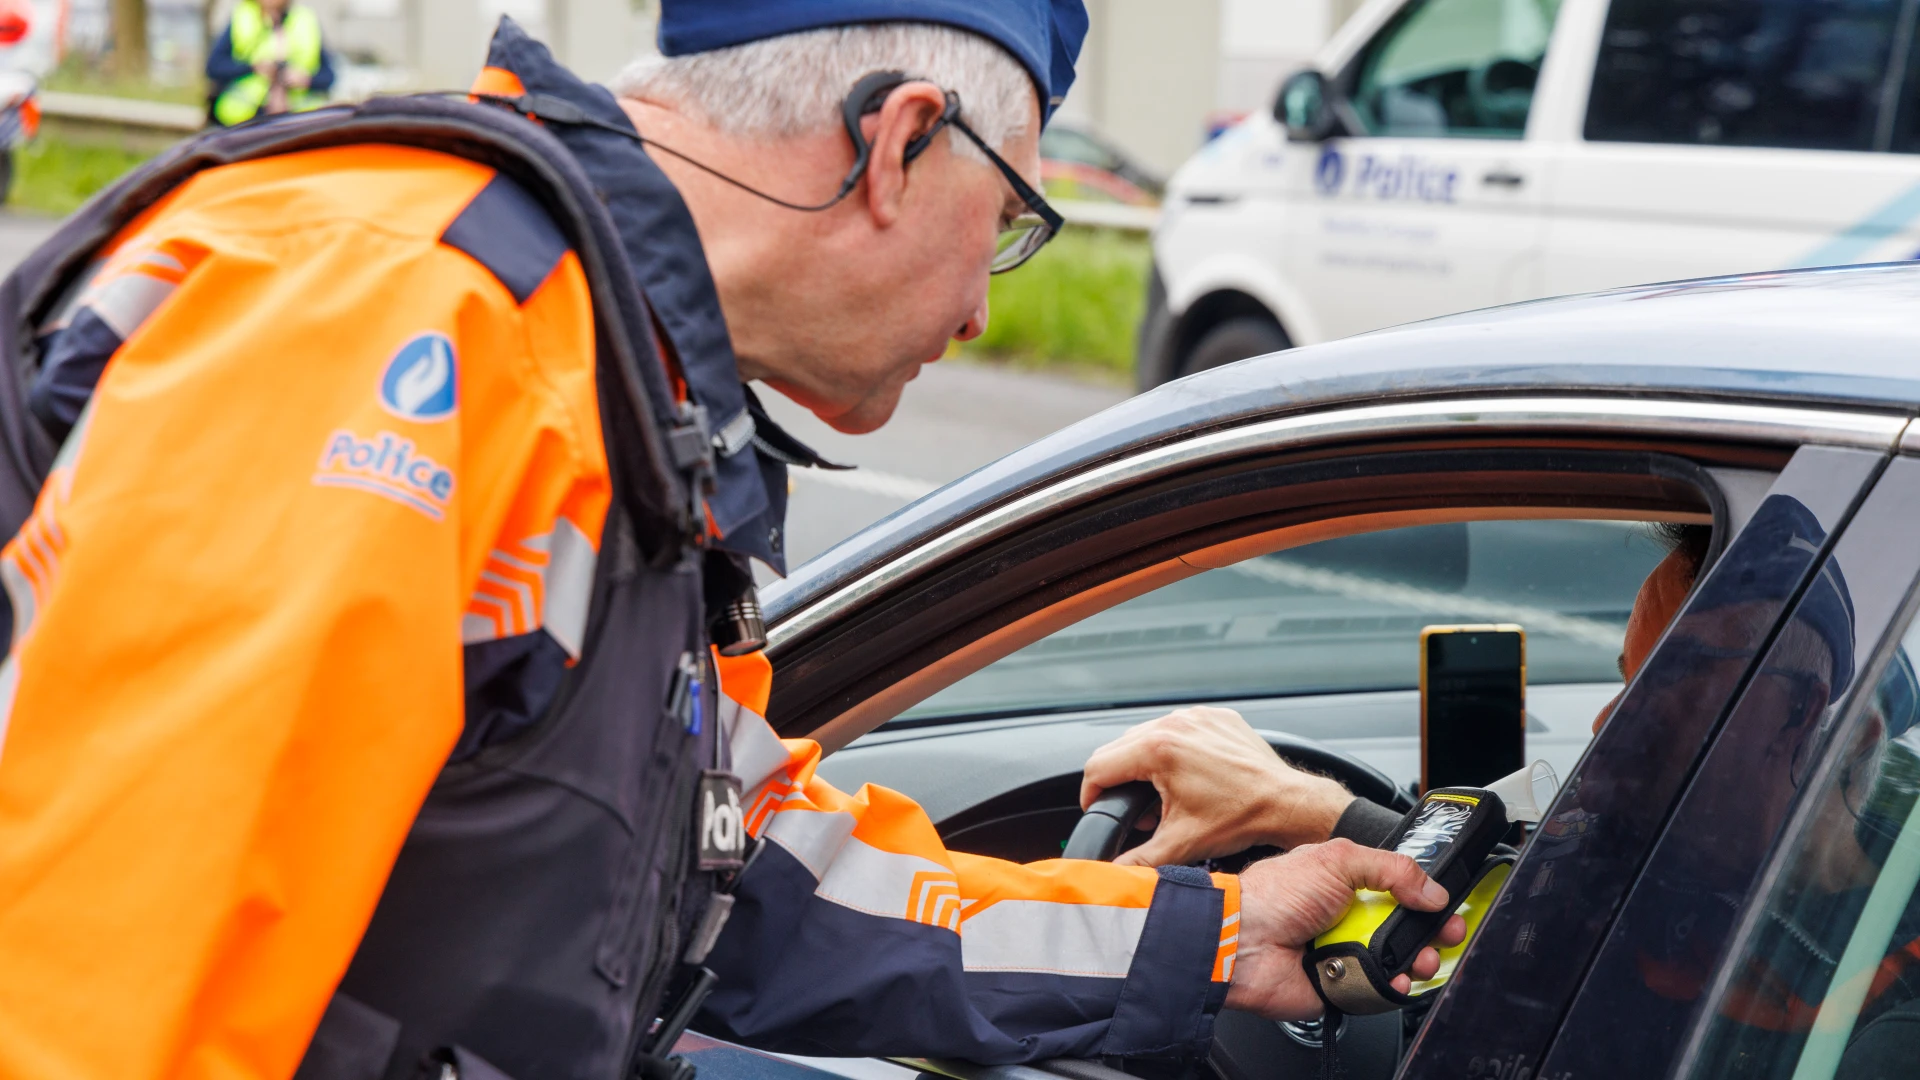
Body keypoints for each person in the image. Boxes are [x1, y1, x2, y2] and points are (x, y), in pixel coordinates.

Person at [0, 4, 1464, 1079]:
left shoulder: (609, 382)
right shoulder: (404, 322)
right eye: (1010, 220)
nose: (982, 315)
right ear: (900, 146)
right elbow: (97, 985)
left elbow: (746, 865)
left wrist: (1209, 938)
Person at [205, 0, 335, 127]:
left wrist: (305, 79)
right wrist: (253, 68)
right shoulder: (243, 17)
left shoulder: (305, 20)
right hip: (243, 122)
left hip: (299, 123)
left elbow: (329, 77)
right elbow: (214, 67)